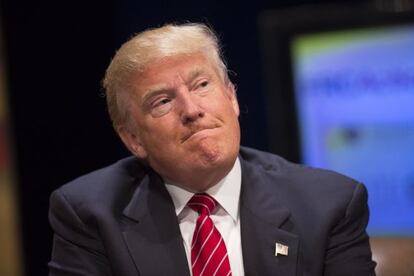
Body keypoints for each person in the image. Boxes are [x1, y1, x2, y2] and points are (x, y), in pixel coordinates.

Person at [48, 23, 376, 276]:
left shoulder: (329, 205)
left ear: (231, 97)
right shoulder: (90, 214)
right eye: (162, 101)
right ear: (133, 138)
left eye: (201, 85)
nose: (191, 109)